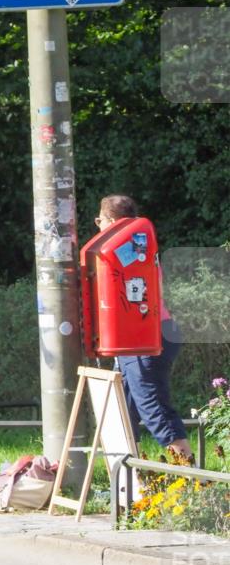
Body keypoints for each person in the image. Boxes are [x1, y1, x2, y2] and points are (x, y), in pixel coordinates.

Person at [95, 194, 192, 462]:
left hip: (145, 337)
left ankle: (192, 477)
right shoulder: (137, 243)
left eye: (99, 220)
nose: (98, 226)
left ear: (111, 220)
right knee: (123, 411)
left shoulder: (127, 247)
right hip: (141, 336)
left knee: (153, 407)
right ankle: (131, 478)